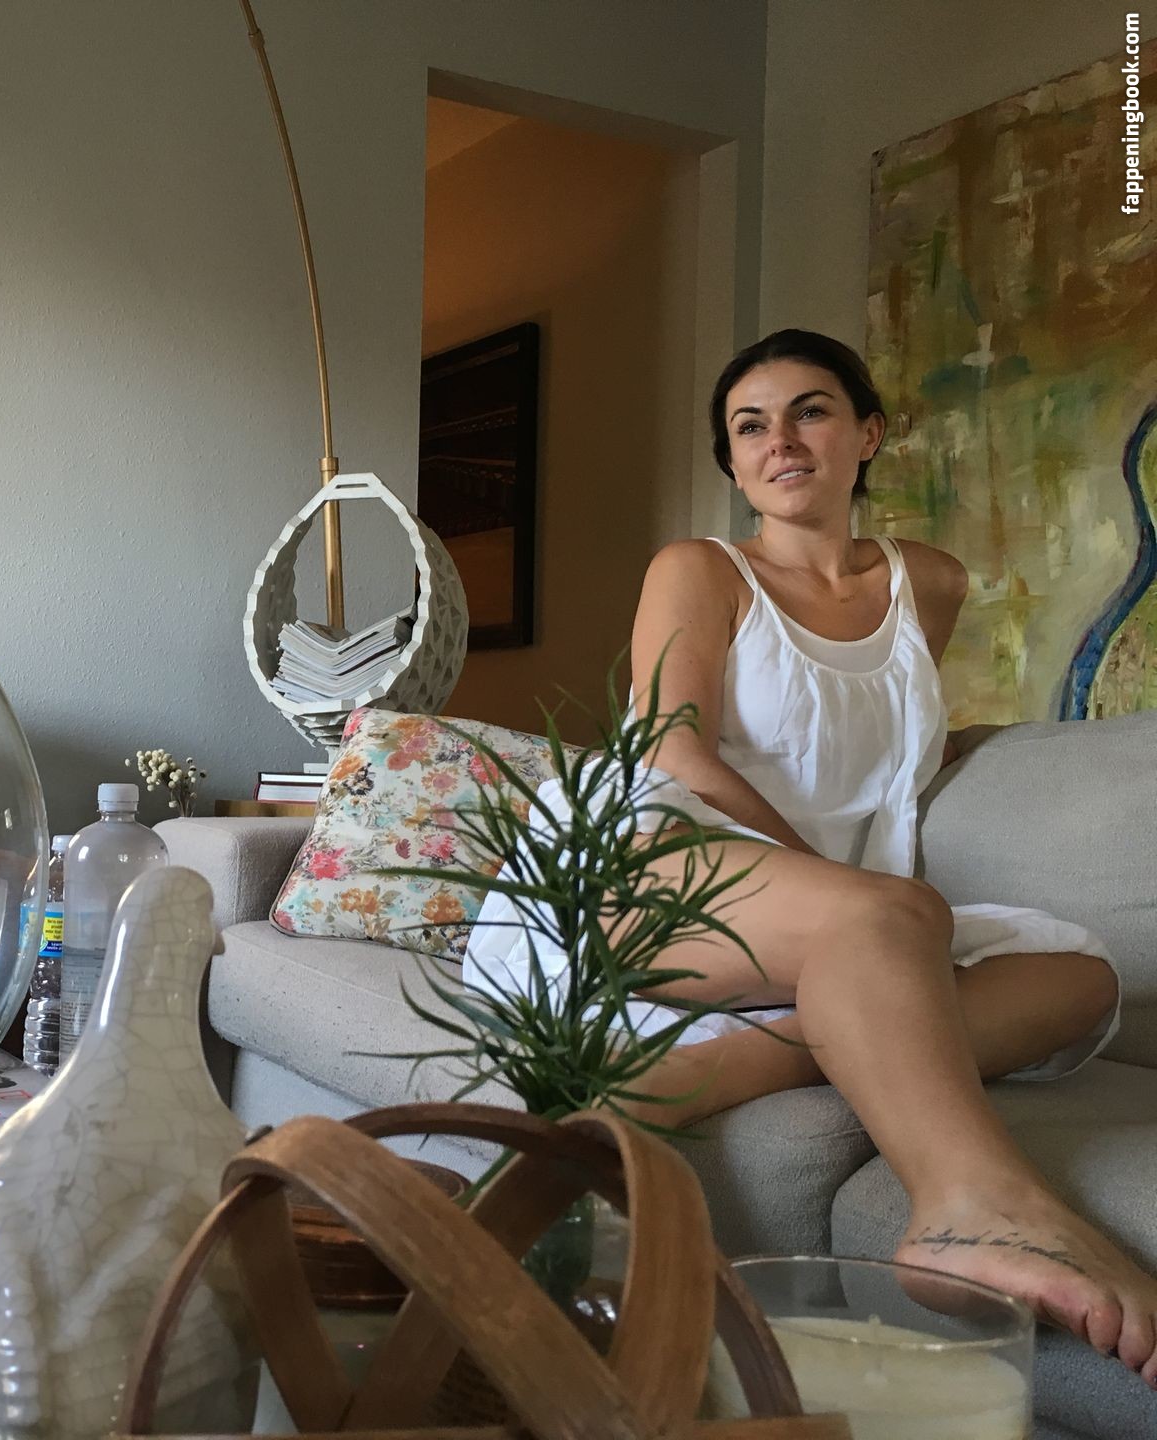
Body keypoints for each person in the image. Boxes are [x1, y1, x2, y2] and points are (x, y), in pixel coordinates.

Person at [465, 328, 1156, 1385]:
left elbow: (878, 740)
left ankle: (730, 1062)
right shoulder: (700, 570)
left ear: (866, 434)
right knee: (896, 918)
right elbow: (674, 751)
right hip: (651, 863)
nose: (780, 441)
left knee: (1082, 979)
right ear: (734, 463)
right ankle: (971, 1207)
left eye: (811, 411)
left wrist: (943, 777)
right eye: (750, 427)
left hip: (831, 917)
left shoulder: (930, 582)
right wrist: (844, 892)